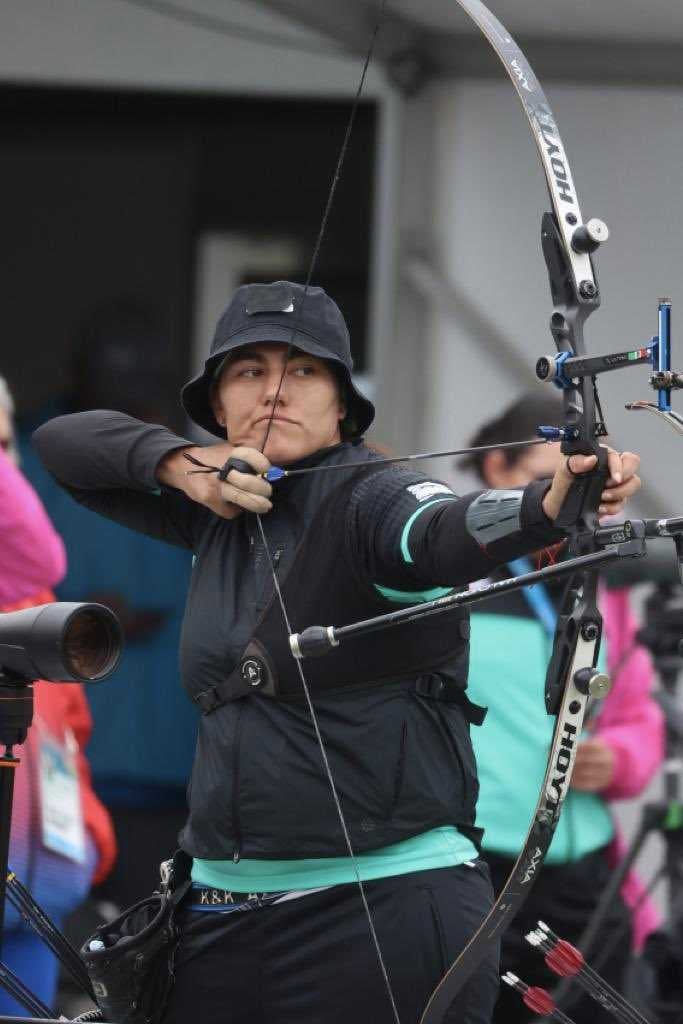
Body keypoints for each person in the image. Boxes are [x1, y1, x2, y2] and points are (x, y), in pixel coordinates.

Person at [33, 281, 642, 1024]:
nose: (275, 389)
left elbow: (440, 531)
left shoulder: (375, 498)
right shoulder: (214, 513)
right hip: (219, 914)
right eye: (248, 370)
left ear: (342, 404)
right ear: (218, 403)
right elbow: (64, 444)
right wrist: (183, 467)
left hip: (382, 913)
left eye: (304, 370)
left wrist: (545, 505)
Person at [461, 394, 664, 1024]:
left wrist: (622, 759)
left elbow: (636, 714)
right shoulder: (454, 579)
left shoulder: (597, 577)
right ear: (498, 470)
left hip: (580, 877)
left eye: (585, 489)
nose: (568, 508)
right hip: (474, 868)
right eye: (550, 483)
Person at [18, 300, 197, 909]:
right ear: (77, 380)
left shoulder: (192, 463)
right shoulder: (30, 455)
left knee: (150, 945)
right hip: (59, 765)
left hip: (171, 764)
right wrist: (75, 610)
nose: (126, 409)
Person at [0, 376, 116, 1014]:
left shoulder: (27, 597)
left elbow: (69, 736)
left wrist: (90, 840)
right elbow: (37, 549)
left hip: (40, 901)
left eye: (7, 444)